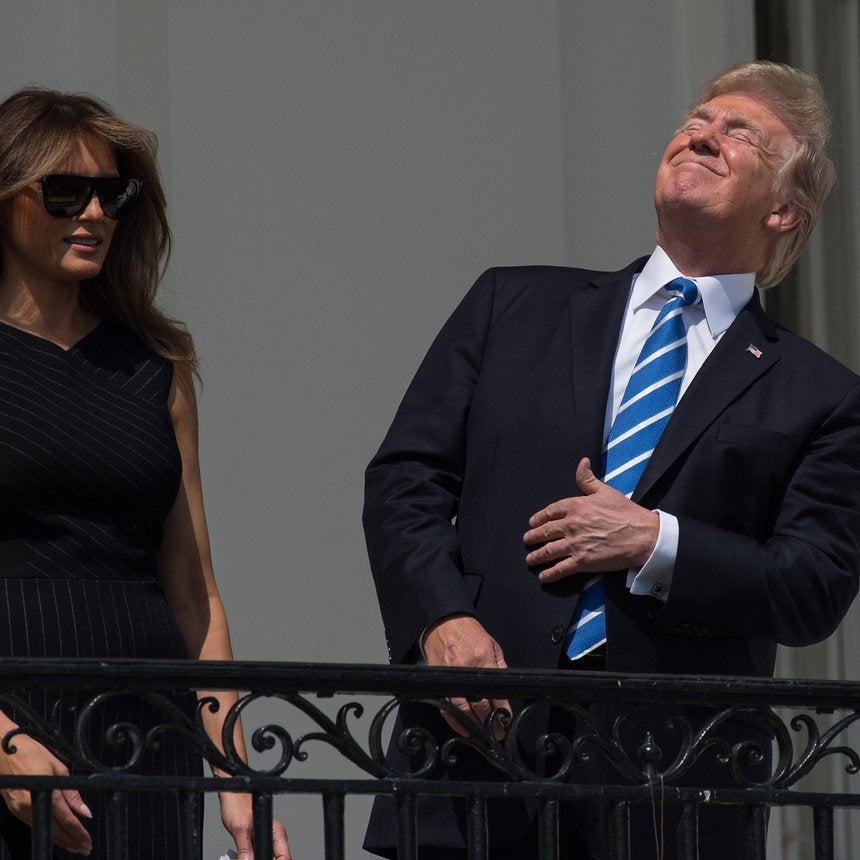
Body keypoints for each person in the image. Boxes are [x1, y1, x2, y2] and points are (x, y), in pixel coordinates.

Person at [362, 60, 860, 859]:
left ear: (783, 211)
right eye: (695, 122)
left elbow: (813, 587)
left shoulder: (820, 394)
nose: (702, 135)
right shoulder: (511, 305)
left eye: (740, 134)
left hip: (674, 789)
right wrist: (441, 622)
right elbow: (406, 479)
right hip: (474, 755)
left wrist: (655, 541)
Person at [0, 88, 290, 859]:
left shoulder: (156, 367)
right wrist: (2, 743)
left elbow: (195, 593)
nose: (94, 212)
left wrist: (234, 776)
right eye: (65, 191)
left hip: (146, 734)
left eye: (112, 194)